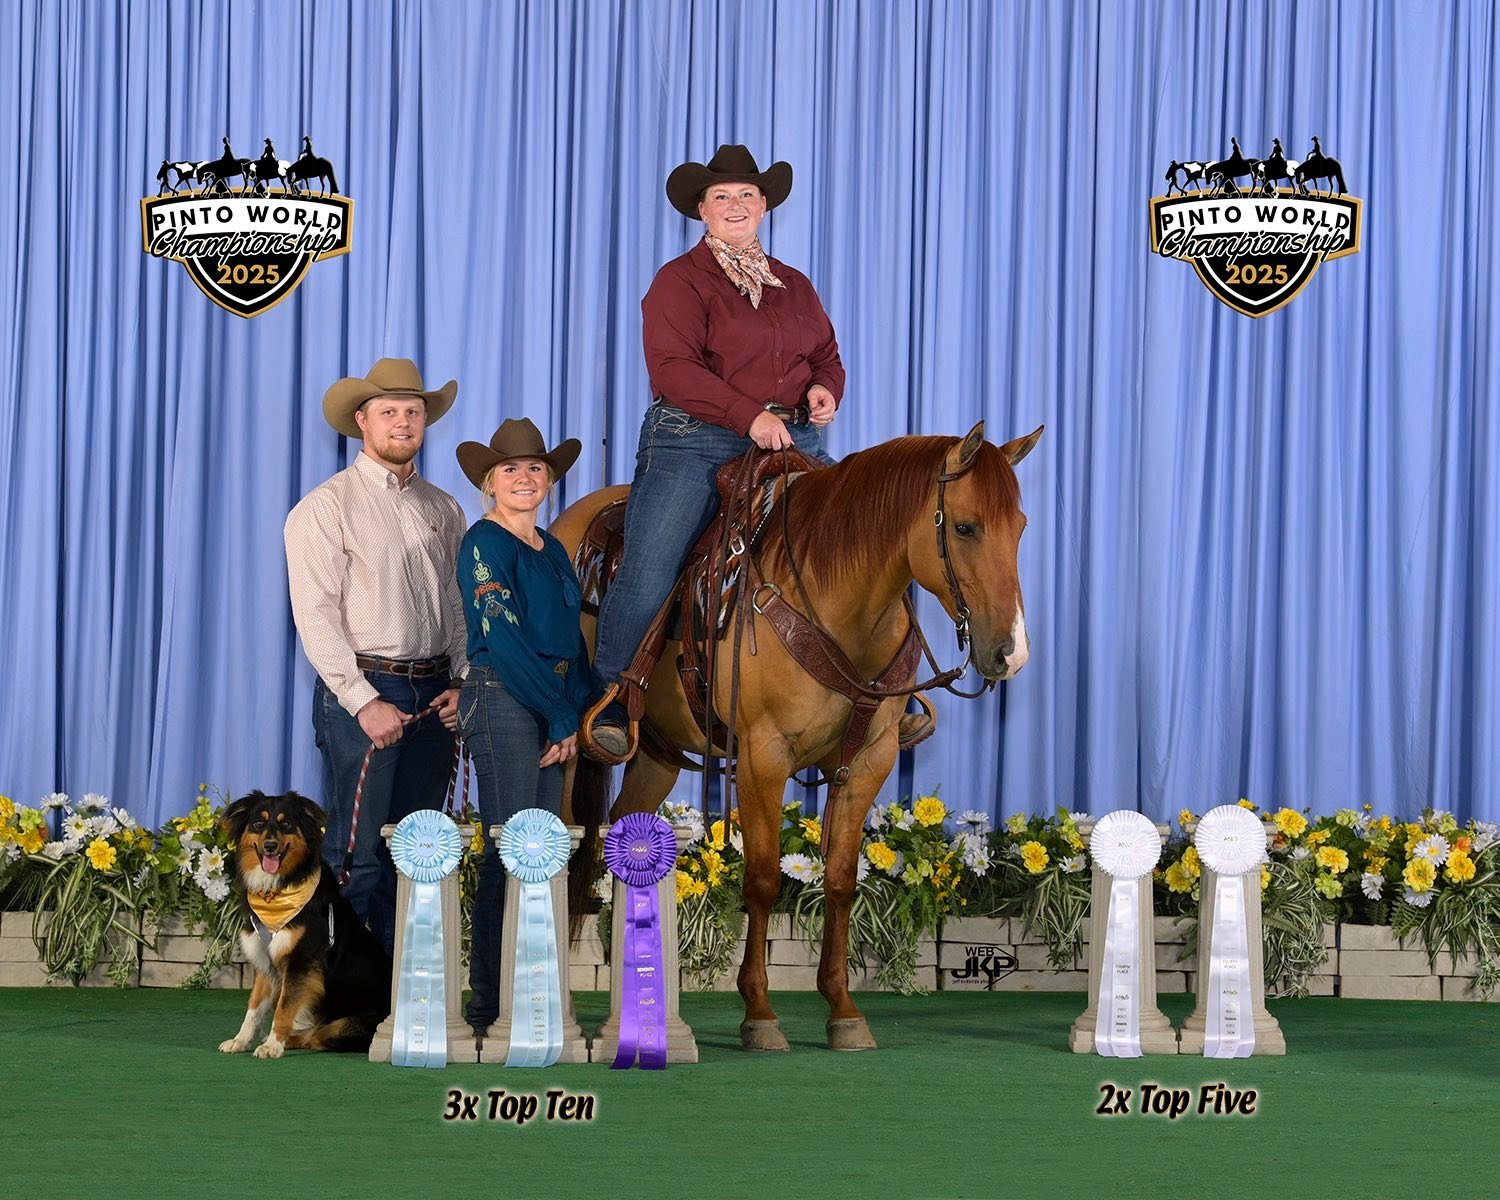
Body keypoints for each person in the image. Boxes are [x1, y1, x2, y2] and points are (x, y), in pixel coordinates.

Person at [585, 144, 841, 759]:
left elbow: (826, 351)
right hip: (694, 437)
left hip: (791, 436)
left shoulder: (794, 285)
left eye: (747, 195)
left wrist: (825, 388)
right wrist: (747, 415)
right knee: (653, 559)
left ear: (764, 207)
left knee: (864, 531)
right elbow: (673, 368)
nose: (736, 205)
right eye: (722, 196)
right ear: (701, 209)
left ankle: (883, 687)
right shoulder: (679, 281)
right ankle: (614, 696)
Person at [283, 357, 467, 957]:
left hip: (435, 692)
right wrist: (363, 702)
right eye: (390, 411)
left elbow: (461, 608)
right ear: (362, 421)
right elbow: (316, 616)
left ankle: (397, 997)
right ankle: (332, 995)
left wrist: (462, 681)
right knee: (356, 858)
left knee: (415, 852)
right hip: (366, 691)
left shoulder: (445, 508)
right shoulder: (325, 508)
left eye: (414, 412)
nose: (404, 422)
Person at [453, 417, 591, 1036]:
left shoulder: (553, 549)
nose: (525, 477)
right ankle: (488, 1004)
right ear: (489, 483)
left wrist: (582, 706)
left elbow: (572, 641)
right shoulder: (484, 543)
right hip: (505, 697)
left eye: (536, 467)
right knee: (512, 852)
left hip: (550, 704)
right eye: (510, 468)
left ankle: (529, 996)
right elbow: (504, 640)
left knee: (542, 855)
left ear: (551, 480)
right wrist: (558, 712)